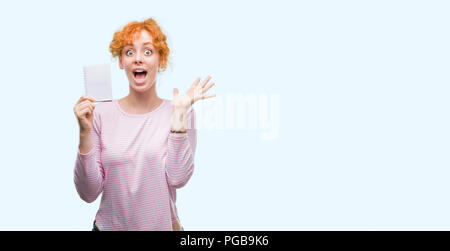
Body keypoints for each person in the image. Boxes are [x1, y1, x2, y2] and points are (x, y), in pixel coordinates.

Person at [73, 18, 216, 231]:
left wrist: (179, 116)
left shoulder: (181, 111)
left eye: (148, 52)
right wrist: (84, 133)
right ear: (121, 62)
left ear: (161, 61)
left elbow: (178, 178)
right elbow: (88, 193)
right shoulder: (100, 113)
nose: (138, 59)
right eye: (129, 52)